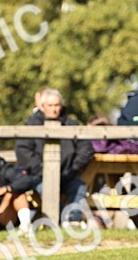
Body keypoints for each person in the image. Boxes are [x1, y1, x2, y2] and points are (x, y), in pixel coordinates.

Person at [12, 88, 93, 228]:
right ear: (42, 107)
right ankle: (63, 220)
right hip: (39, 175)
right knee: (47, 189)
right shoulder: (31, 125)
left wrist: (73, 168)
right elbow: (23, 149)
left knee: (79, 186)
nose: (54, 109)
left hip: (67, 174)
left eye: (57, 105)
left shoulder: (71, 124)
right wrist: (42, 170)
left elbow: (85, 148)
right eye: (50, 105)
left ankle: (73, 220)